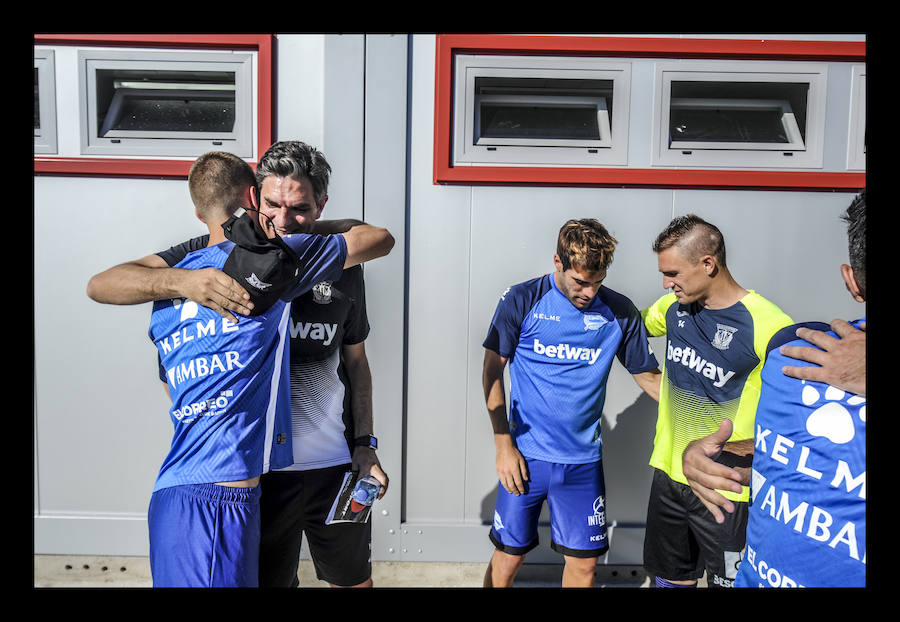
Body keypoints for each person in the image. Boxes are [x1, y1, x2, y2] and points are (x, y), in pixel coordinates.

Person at [86, 151, 394, 587]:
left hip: (331, 467)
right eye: (273, 206)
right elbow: (102, 284)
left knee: (352, 580)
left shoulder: (322, 260)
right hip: (256, 478)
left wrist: (365, 444)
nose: (284, 220)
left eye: (300, 209)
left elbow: (357, 361)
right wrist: (183, 281)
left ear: (320, 206)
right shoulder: (210, 260)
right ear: (253, 199)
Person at [682, 191, 865, 587]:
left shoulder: (779, 334)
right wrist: (721, 456)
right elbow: (800, 452)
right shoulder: (794, 350)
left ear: (850, 280)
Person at [482, 219, 661, 588]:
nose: (589, 292)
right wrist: (503, 446)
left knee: (583, 568)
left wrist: (705, 406)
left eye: (597, 281)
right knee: (508, 559)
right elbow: (491, 373)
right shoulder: (522, 298)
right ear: (557, 263)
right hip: (525, 458)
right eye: (580, 281)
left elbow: (649, 378)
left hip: (582, 465)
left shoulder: (618, 311)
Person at [640, 214, 793, 588]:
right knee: (670, 581)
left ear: (708, 263)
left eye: (673, 272)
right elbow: (630, 328)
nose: (666, 283)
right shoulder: (674, 308)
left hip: (725, 491)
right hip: (668, 475)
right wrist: (643, 374)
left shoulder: (770, 325)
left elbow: (796, 420)